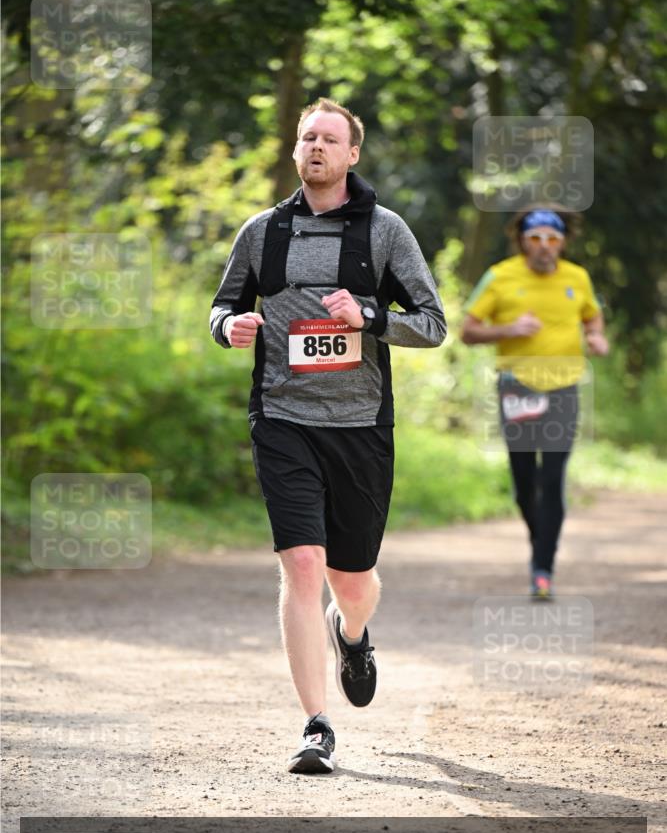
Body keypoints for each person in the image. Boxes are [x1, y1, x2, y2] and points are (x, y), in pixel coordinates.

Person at [210, 98, 446, 773]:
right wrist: (229, 327)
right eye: (306, 136)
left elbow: (431, 323)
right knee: (302, 565)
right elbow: (224, 304)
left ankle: (353, 632)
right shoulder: (262, 233)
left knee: (352, 579)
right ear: (295, 152)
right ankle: (316, 726)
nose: (315, 145)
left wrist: (369, 314)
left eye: (329, 138)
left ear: (350, 156)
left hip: (360, 426)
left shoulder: (385, 233)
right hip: (282, 417)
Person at [461, 207, 609, 600]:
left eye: (553, 239)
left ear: (563, 241)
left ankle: (542, 569)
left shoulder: (577, 278)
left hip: (564, 387)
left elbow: (593, 319)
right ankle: (540, 540)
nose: (545, 247)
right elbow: (468, 331)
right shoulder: (500, 276)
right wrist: (510, 329)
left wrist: (596, 338)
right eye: (536, 238)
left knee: (553, 478)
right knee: (525, 481)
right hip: (518, 389)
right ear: (523, 240)